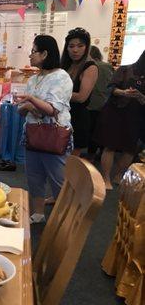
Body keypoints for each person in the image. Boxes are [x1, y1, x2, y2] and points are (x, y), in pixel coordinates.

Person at [16, 35, 73, 223]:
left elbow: (52, 109)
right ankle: (38, 213)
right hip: (33, 133)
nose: (30, 56)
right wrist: (32, 106)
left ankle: (64, 219)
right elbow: (21, 110)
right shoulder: (34, 78)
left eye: (33, 51)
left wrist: (31, 101)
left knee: (59, 178)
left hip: (54, 135)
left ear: (45, 53)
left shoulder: (61, 77)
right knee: (34, 176)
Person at [94, 50, 145, 190]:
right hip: (115, 112)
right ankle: (105, 178)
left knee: (130, 148)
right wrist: (124, 92)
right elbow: (110, 88)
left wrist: (141, 97)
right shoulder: (125, 69)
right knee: (110, 145)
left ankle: (119, 175)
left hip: (136, 116)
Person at [61, 28, 99, 156]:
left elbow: (82, 97)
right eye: (71, 46)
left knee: (69, 163)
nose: (75, 50)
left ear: (86, 47)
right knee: (56, 159)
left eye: (80, 46)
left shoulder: (90, 67)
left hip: (77, 118)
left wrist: (55, 94)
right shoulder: (66, 65)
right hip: (61, 114)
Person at [87, 46, 114, 159]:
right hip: (106, 103)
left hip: (91, 103)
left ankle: (90, 156)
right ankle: (101, 153)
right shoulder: (108, 66)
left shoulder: (90, 67)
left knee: (91, 131)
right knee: (101, 131)